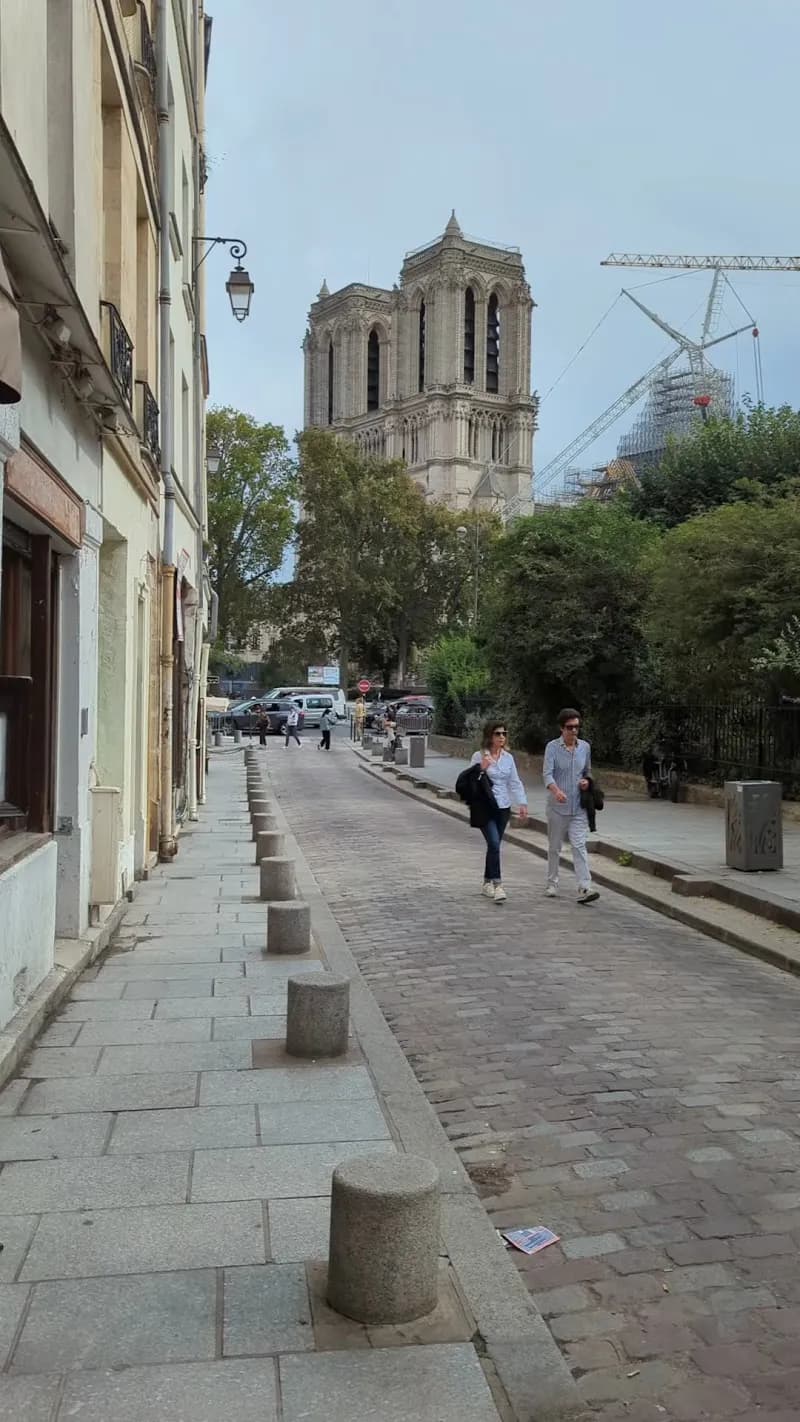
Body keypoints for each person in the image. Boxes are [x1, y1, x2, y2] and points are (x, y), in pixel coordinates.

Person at [543, 708, 599, 904]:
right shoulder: (552, 747)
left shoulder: (584, 747)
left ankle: (585, 886)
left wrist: (586, 781)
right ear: (561, 728)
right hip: (557, 807)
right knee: (555, 847)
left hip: (578, 807)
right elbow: (547, 774)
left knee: (579, 845)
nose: (574, 731)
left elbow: (588, 770)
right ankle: (552, 882)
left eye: (576, 727)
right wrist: (556, 790)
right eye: (569, 727)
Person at [469, 720, 528, 903]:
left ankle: (486, 882)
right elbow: (468, 784)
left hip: (503, 807)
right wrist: (482, 769)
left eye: (504, 733)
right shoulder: (479, 757)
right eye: (497, 734)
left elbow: (514, 782)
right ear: (489, 736)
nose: (502, 737)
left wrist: (522, 803)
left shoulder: (508, 758)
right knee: (494, 843)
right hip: (485, 807)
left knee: (493, 846)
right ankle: (498, 884)